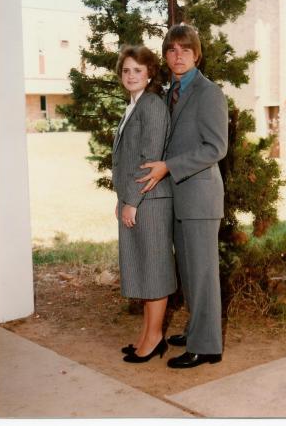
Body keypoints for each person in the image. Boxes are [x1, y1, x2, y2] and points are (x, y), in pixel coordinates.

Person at [137, 24, 228, 368]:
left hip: (200, 199)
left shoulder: (209, 93)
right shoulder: (168, 92)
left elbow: (216, 147)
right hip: (178, 198)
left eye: (185, 50)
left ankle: (207, 347)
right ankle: (195, 331)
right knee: (189, 272)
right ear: (165, 56)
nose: (178, 56)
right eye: (172, 50)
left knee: (202, 274)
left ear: (196, 54)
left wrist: (168, 167)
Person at [112, 45, 177, 363]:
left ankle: (154, 339)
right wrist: (123, 199)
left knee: (155, 270)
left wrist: (132, 202)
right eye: (126, 70)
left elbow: (149, 159)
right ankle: (147, 335)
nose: (131, 75)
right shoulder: (134, 105)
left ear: (150, 73)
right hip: (139, 199)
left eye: (138, 70)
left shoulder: (151, 105)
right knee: (148, 270)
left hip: (149, 199)